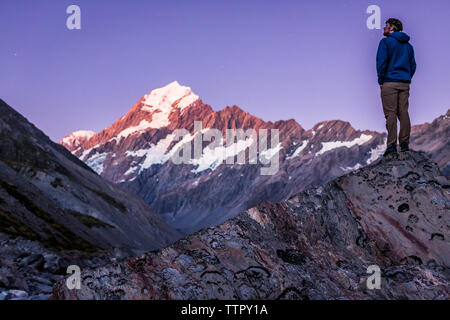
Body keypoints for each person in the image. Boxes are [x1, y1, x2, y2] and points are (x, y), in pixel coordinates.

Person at [376, 18, 416, 157]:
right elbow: (413, 65)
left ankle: (392, 146)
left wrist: (381, 80)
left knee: (390, 114)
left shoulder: (386, 42)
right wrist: (406, 77)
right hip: (404, 83)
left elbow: (381, 62)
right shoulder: (408, 46)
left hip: (389, 82)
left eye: (386, 26)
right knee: (403, 112)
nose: (384, 28)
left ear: (392, 28)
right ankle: (404, 145)